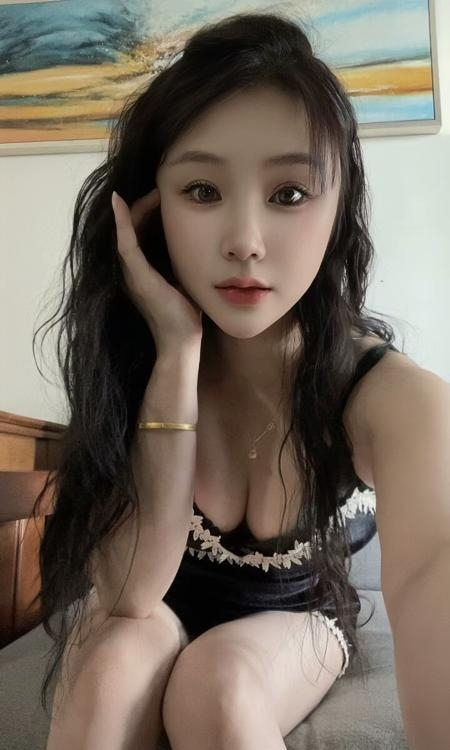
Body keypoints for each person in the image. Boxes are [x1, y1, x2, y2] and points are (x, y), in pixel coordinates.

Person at [29, 10, 433, 750]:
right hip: (151, 611)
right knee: (109, 670)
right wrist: (175, 352)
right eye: (202, 191)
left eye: (289, 194)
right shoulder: (127, 358)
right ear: (150, 210)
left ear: (338, 206)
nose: (245, 242)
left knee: (216, 685)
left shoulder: (384, 395)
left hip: (298, 623)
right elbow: (129, 594)